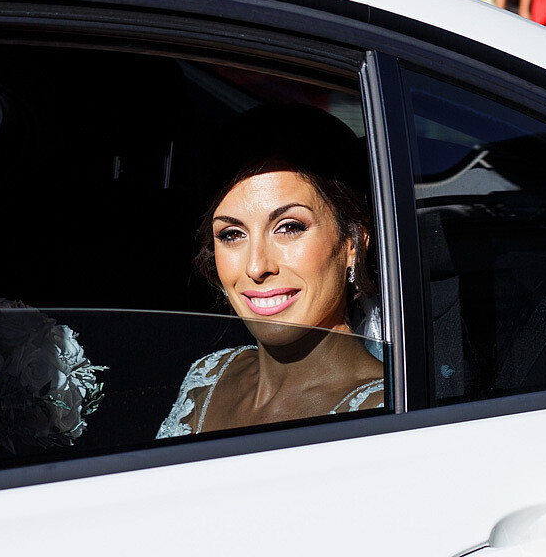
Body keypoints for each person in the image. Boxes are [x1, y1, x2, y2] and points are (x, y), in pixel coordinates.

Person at [158, 105, 385, 437]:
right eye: (232, 234)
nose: (256, 267)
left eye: (289, 227)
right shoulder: (207, 376)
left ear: (353, 242)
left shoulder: (384, 414)